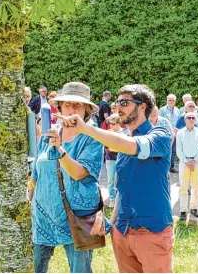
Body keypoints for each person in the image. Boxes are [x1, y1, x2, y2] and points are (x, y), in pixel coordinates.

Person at [58, 84, 174, 273]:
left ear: (142, 106)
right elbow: (122, 187)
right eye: (117, 102)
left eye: (125, 102)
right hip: (123, 230)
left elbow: (132, 146)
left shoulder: (160, 135)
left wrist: (85, 128)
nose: (118, 107)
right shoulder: (122, 138)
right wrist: (114, 227)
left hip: (152, 231)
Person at [28, 81, 103, 273]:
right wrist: (30, 193)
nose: (72, 109)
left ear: (87, 110)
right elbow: (37, 169)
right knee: (37, 267)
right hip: (44, 215)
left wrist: (60, 149)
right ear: (60, 107)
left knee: (80, 269)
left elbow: (78, 173)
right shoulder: (50, 134)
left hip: (76, 216)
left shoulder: (93, 137)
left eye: (77, 105)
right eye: (67, 104)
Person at [176, 112, 198, 220]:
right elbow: (178, 149)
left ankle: (194, 207)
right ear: (185, 120)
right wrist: (186, 161)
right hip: (184, 163)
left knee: (196, 186)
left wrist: (194, 160)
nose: (191, 119)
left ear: (195, 120)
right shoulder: (180, 133)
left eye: (193, 118)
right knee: (183, 187)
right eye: (189, 117)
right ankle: (183, 210)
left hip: (197, 163)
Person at [159, 94, 181, 174]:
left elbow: (179, 123)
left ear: (175, 101)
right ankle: (164, 167)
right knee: (165, 150)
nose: (171, 102)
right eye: (170, 100)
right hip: (166, 134)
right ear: (167, 101)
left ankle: (171, 167)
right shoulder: (162, 110)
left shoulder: (177, 110)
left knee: (173, 151)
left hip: (175, 134)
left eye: (173, 100)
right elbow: (159, 121)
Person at [104, 113, 122, 208]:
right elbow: (106, 146)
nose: (112, 126)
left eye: (114, 123)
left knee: (119, 179)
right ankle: (112, 198)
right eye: (111, 123)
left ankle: (119, 198)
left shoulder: (123, 132)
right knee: (110, 180)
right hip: (110, 159)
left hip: (121, 159)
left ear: (119, 123)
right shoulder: (108, 132)